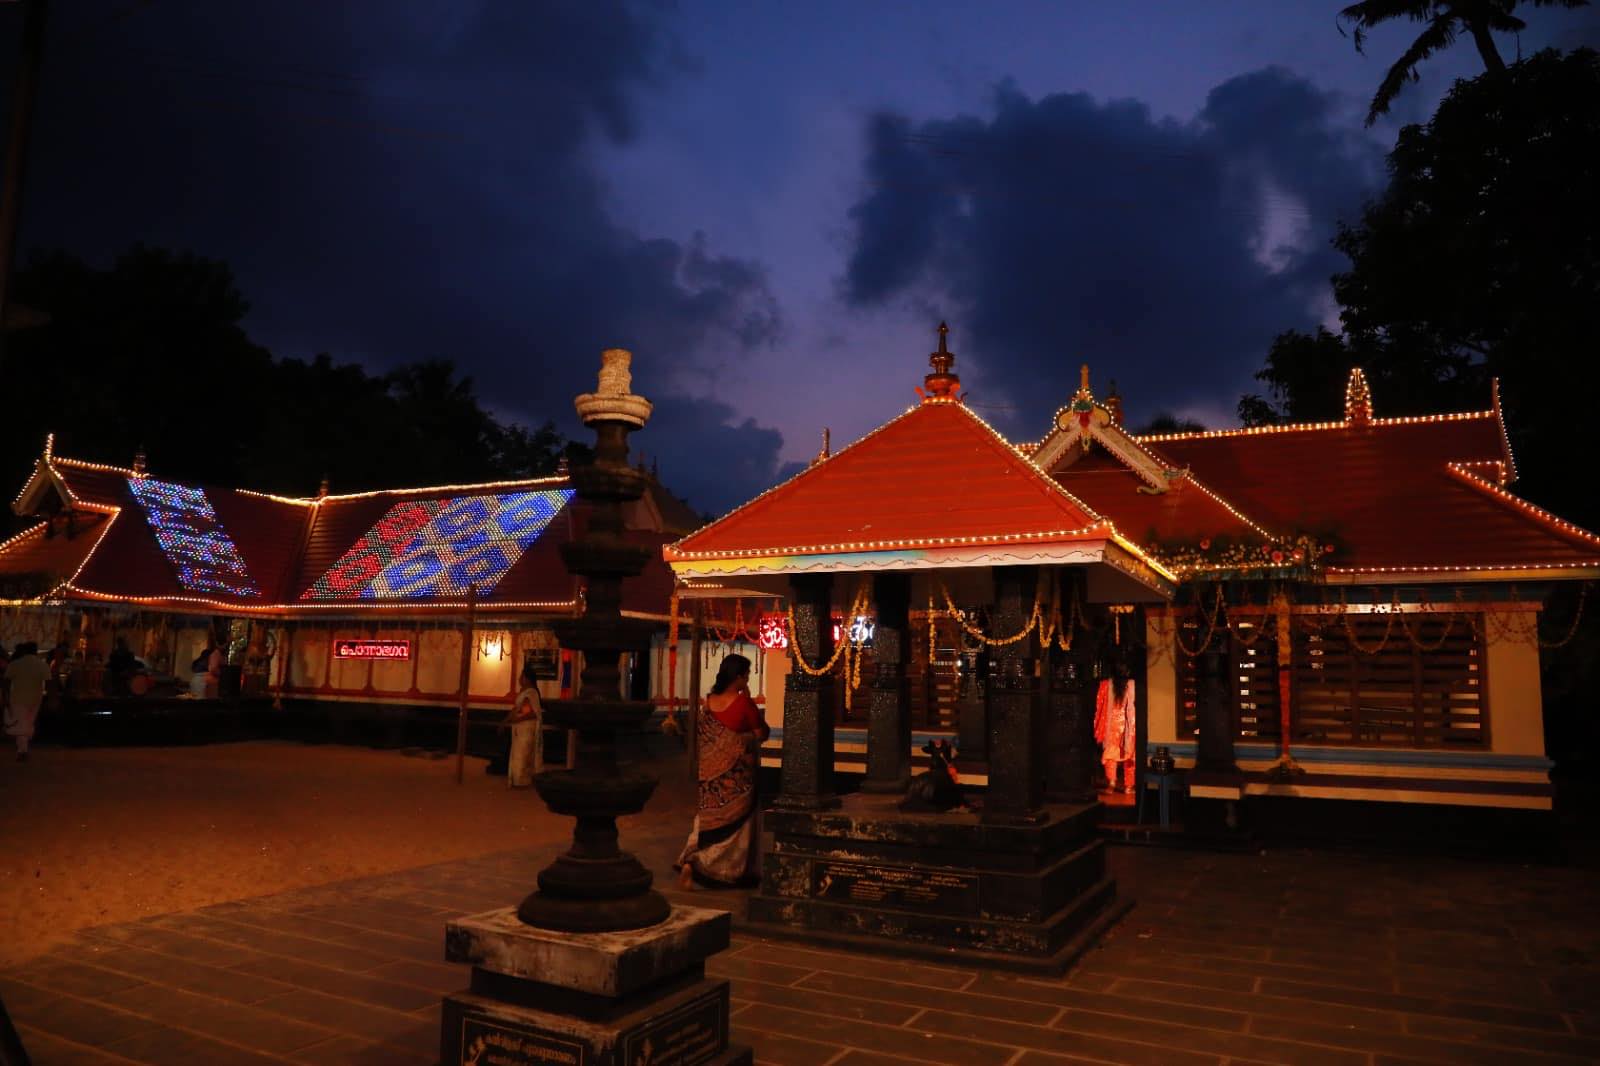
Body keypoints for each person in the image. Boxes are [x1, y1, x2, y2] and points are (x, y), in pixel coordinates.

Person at [676, 653, 769, 888]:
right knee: (736, 827)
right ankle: (711, 868)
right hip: (738, 781)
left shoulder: (708, 702)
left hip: (710, 783)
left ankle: (689, 861)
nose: (747, 679)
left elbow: (706, 740)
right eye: (746, 675)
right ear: (737, 677)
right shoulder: (743, 703)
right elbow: (761, 733)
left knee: (706, 822)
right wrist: (744, 735)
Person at [1093, 662, 1137, 794]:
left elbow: (1099, 705)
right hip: (1128, 724)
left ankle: (1111, 783)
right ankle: (1129, 786)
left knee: (1111, 755)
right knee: (1129, 756)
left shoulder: (1106, 685)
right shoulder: (1132, 685)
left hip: (1111, 725)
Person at [4, 642, 50, 762]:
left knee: (22, 724)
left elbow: (6, 682)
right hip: (35, 698)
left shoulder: (16, 664)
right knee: (28, 723)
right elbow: (48, 682)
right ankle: (23, 749)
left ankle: (22, 750)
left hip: (18, 698)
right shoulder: (42, 665)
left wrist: (6, 697)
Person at [506, 662, 544, 788]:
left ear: (526, 679)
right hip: (521, 728)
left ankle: (522, 781)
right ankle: (518, 780)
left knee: (523, 754)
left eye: (521, 677)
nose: (519, 679)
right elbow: (517, 709)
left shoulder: (531, 693)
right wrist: (507, 720)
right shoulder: (524, 692)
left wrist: (516, 720)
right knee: (519, 753)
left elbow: (532, 713)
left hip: (527, 728)